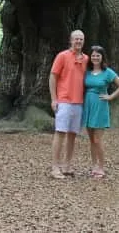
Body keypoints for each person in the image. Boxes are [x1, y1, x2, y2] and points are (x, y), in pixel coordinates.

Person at [82, 45, 119, 178]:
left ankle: (101, 167)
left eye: (98, 55)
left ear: (102, 57)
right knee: (91, 139)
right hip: (88, 105)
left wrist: (110, 96)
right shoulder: (87, 72)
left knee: (97, 139)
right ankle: (94, 165)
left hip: (100, 105)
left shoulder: (108, 72)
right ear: (90, 57)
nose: (95, 57)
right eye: (93, 55)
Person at [49, 30, 87, 179]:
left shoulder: (86, 59)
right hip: (64, 100)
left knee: (72, 135)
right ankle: (54, 167)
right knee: (60, 133)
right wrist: (54, 98)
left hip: (78, 102)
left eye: (81, 39)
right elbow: (53, 77)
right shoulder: (62, 56)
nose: (78, 41)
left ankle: (67, 165)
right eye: (76, 39)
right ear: (71, 40)